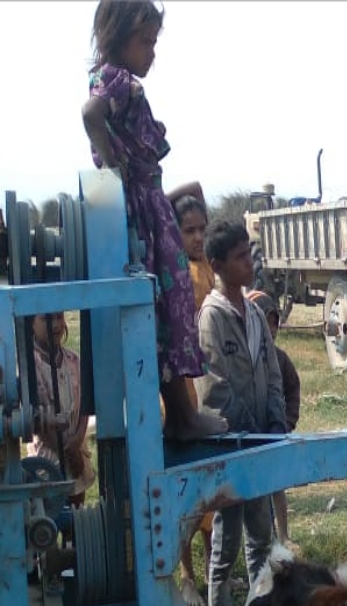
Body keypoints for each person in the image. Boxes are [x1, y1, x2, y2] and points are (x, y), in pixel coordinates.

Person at [80, 0, 226, 442]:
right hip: (141, 213)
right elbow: (90, 115)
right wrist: (115, 170)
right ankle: (182, 418)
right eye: (145, 42)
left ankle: (179, 415)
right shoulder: (119, 82)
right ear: (116, 36)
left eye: (154, 42)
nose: (151, 52)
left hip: (145, 205)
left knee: (163, 316)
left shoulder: (110, 79)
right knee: (170, 308)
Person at [193, 222, 286, 606]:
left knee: (261, 541)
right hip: (232, 447)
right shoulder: (211, 317)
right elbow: (215, 387)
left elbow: (272, 373)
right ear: (217, 266)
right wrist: (251, 431)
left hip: (261, 444)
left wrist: (276, 423)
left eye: (250, 254)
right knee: (225, 547)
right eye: (240, 257)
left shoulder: (252, 313)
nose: (250, 263)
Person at [171, 192, 215, 606]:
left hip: (207, 381)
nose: (198, 237)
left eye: (202, 229)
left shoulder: (208, 269)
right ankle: (185, 575)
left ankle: (210, 569)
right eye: (189, 230)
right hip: (181, 389)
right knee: (186, 488)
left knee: (210, 487)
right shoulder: (175, 270)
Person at [28, 312, 95, 508]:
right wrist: (67, 449)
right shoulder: (29, 368)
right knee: (48, 515)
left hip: (76, 453)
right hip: (46, 459)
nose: (56, 324)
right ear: (31, 323)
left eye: (59, 317)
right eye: (47, 319)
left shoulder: (74, 360)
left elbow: (85, 405)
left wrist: (78, 440)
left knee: (77, 515)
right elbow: (34, 421)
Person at [251, 291, 301, 550]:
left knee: (277, 485)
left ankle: (283, 534)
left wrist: (288, 421)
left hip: (275, 432)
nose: (270, 329)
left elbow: (293, 389)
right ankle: (260, 540)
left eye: (274, 323)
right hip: (251, 433)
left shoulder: (281, 359)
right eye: (264, 322)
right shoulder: (246, 360)